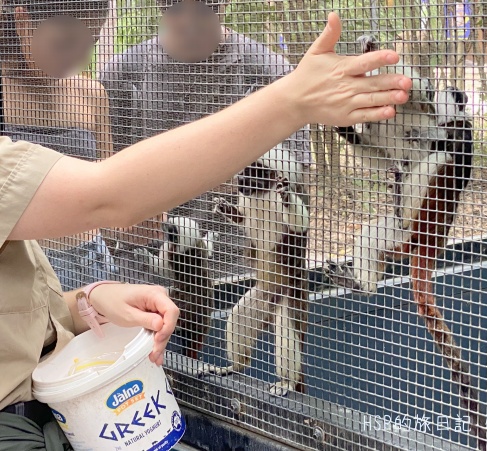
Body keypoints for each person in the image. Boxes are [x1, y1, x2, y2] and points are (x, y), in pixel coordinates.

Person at [0, 10, 413, 448]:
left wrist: (86, 300)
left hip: (63, 374)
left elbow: (20, 304)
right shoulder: (125, 74)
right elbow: (106, 195)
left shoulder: (253, 80)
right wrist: (292, 100)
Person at [98, 0, 313, 282]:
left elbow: (295, 182)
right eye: (174, 8)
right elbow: (105, 177)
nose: (188, 22)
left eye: (203, 9)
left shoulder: (269, 73)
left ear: (223, 4)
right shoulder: (123, 74)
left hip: (237, 267)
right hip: (147, 268)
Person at [0, 0, 120, 292]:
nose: (79, 57)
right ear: (23, 23)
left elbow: (109, 191)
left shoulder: (91, 94)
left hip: (92, 261)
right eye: (66, 42)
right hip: (21, 272)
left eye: (90, 42)